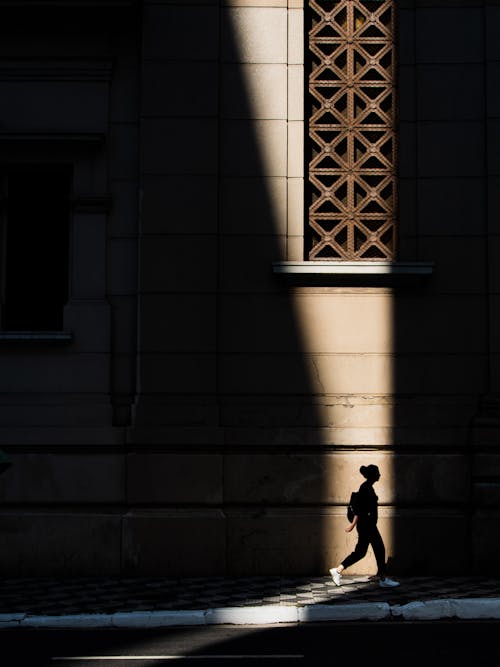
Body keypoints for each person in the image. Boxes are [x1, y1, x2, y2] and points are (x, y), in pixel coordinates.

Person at [329, 464, 400, 588]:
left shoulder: (368, 487)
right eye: (377, 472)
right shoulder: (365, 488)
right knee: (379, 549)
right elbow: (359, 509)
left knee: (360, 552)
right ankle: (383, 579)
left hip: (367, 525)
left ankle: (338, 570)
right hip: (367, 525)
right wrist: (352, 524)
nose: (379, 475)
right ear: (372, 475)